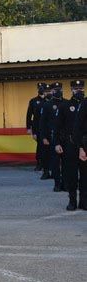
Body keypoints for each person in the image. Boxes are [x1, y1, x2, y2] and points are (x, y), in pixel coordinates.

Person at [56, 80, 86, 210]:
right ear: (71, 90)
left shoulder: (86, 104)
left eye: (81, 88)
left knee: (85, 174)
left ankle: (84, 201)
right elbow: (57, 126)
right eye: (76, 88)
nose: (78, 90)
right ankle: (72, 200)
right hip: (70, 144)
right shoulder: (65, 105)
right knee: (71, 174)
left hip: (84, 144)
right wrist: (57, 143)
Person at [40, 82, 65, 192]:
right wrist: (44, 137)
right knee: (55, 162)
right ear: (52, 91)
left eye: (59, 89)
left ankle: (66, 183)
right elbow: (42, 123)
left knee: (67, 162)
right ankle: (57, 183)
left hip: (66, 138)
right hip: (52, 137)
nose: (57, 91)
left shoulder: (67, 103)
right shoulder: (47, 105)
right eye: (55, 89)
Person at [27, 83, 48, 172]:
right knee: (40, 146)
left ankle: (48, 164)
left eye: (42, 88)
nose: (41, 89)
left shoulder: (49, 100)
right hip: (37, 127)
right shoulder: (33, 101)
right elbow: (29, 115)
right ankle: (39, 163)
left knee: (48, 146)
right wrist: (29, 128)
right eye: (39, 88)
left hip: (48, 127)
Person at [74, 89, 87, 210]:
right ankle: (84, 202)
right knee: (84, 175)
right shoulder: (85, 104)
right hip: (86, 144)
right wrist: (80, 148)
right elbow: (77, 127)